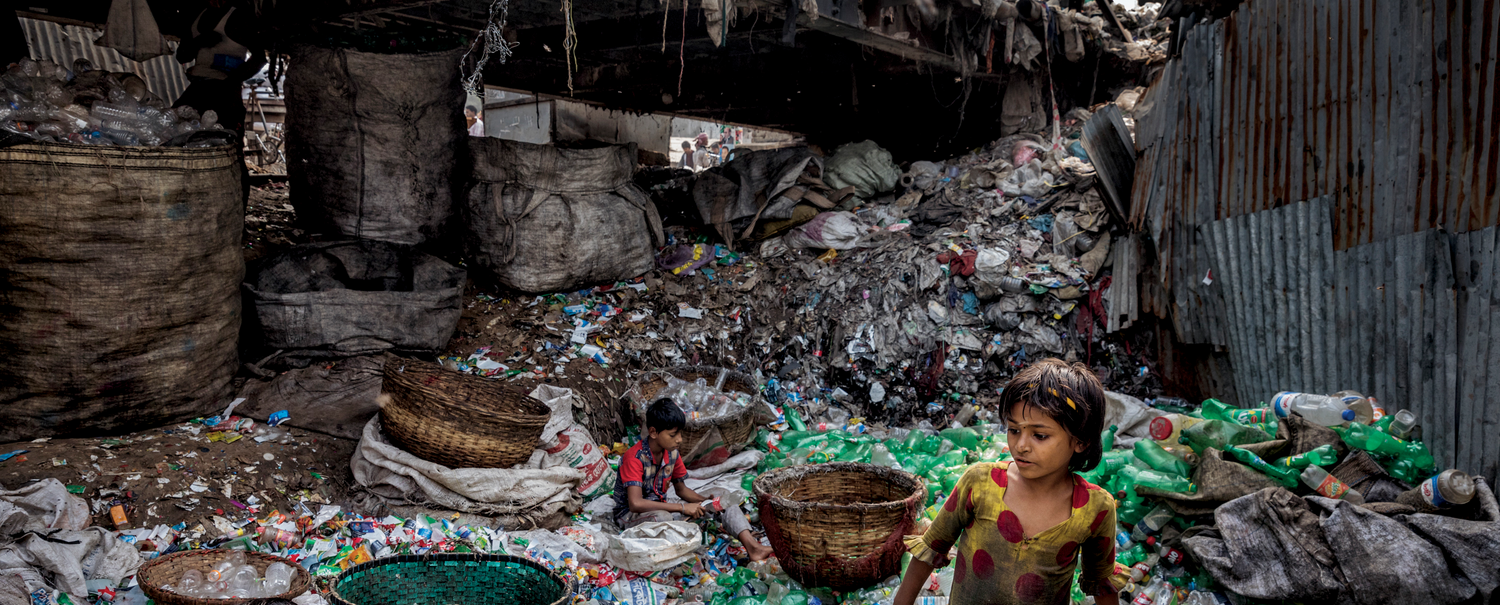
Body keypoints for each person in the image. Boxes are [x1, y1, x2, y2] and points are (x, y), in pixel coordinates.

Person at [894, 359, 1128, 605]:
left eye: (1040, 435)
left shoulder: (1095, 508)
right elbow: (930, 548)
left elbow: (1101, 583)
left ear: (1080, 441)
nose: (1021, 445)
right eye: (1014, 430)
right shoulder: (980, 483)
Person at [614, 399, 775, 561]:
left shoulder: (671, 453)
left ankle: (753, 547)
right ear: (654, 432)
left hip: (661, 503)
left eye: (679, 433)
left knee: (723, 495)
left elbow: (681, 490)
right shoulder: (634, 458)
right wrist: (683, 508)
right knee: (662, 518)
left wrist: (705, 501)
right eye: (673, 435)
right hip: (630, 515)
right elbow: (636, 504)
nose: (679, 439)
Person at [173, 0, 265, 137]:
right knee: (176, 129)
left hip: (225, 92)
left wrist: (230, 82)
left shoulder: (238, 18)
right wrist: (199, 41)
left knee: (223, 138)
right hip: (198, 87)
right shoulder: (197, 15)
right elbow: (182, 56)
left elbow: (259, 59)